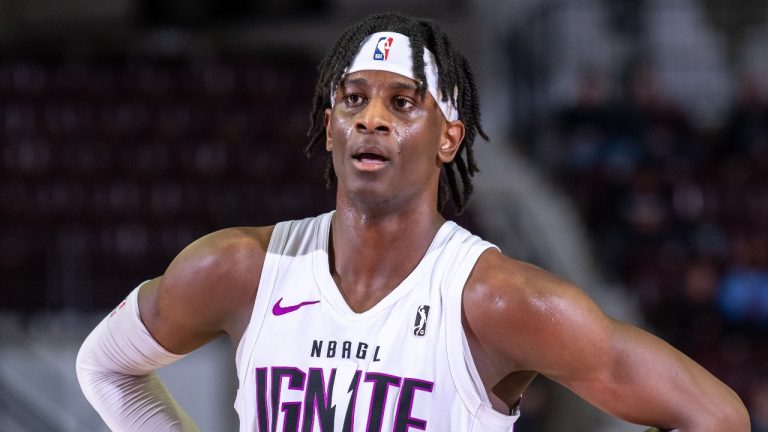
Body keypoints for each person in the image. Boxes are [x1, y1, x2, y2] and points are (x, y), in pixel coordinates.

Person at [76, 12, 750, 431]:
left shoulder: (497, 301)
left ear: (449, 137)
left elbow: (715, 418)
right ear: (330, 128)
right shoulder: (242, 269)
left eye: (403, 102)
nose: (372, 118)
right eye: (353, 100)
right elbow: (105, 367)